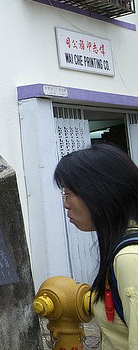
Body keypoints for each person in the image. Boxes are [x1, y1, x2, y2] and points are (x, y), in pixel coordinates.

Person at [53, 143, 137, 349]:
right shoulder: (118, 248)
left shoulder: (129, 259)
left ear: (98, 193)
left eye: (68, 193)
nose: (65, 204)